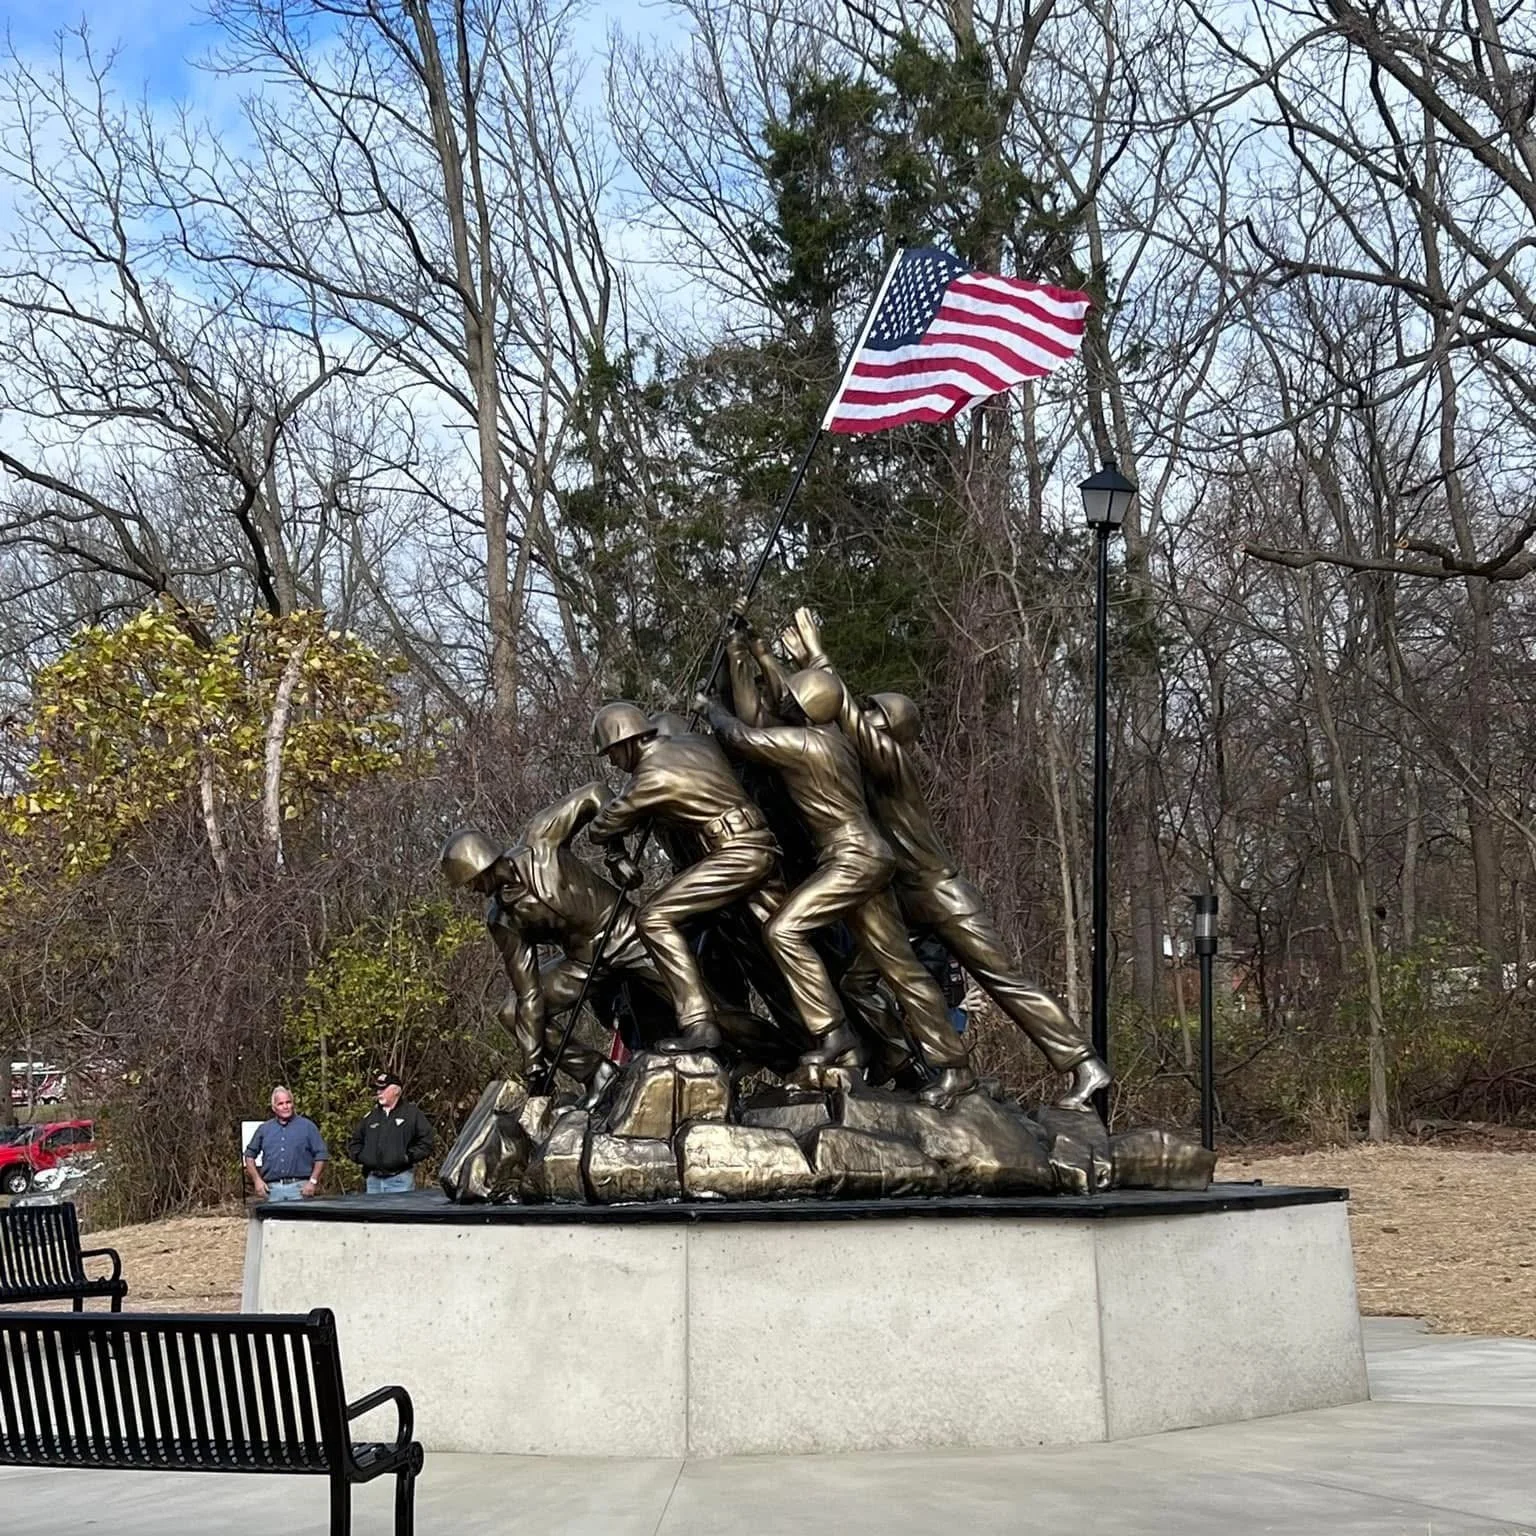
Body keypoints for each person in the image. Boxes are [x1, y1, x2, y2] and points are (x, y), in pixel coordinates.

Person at [780, 605, 1110, 1111]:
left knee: (1002, 978)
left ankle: (1084, 1065)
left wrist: (821, 658)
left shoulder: (894, 763)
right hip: (901, 894)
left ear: (888, 728)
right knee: (859, 983)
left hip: (940, 891)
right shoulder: (854, 768)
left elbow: (847, 721)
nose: (859, 718)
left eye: (871, 713)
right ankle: (921, 1064)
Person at [701, 664, 976, 1106]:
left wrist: (712, 709)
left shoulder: (807, 744)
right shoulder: (836, 742)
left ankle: (833, 1035)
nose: (785, 704)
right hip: (868, 857)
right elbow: (779, 707)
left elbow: (744, 740)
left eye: (794, 699)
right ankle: (953, 1067)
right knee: (900, 968)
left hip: (852, 859)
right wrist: (753, 652)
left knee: (783, 931)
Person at [587, 701, 792, 1055]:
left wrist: (615, 848)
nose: (613, 763)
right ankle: (819, 1043)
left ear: (628, 742)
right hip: (760, 844)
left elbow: (601, 826)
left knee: (652, 918)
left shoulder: (650, 777)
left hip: (735, 854)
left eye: (612, 754)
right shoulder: (698, 744)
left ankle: (699, 1024)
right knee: (779, 951)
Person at [346, 1071, 434, 1193]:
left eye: (383, 1089)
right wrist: (360, 1156)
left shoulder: (412, 1114)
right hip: (373, 1181)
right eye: (377, 1089)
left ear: (396, 1091)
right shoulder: (371, 1117)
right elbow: (355, 1141)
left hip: (400, 1180)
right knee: (374, 1212)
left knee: (399, 1212)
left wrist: (408, 1157)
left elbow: (426, 1141)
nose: (378, 1093)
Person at [243, 1086, 327, 1202]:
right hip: (272, 1190)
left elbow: (321, 1155)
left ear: (293, 1104)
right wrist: (257, 1180)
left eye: (288, 1102)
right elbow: (249, 1156)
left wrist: (313, 1181)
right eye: (280, 1104)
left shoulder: (308, 1127)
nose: (285, 1106)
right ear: (274, 1108)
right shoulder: (264, 1129)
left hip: (301, 1189)